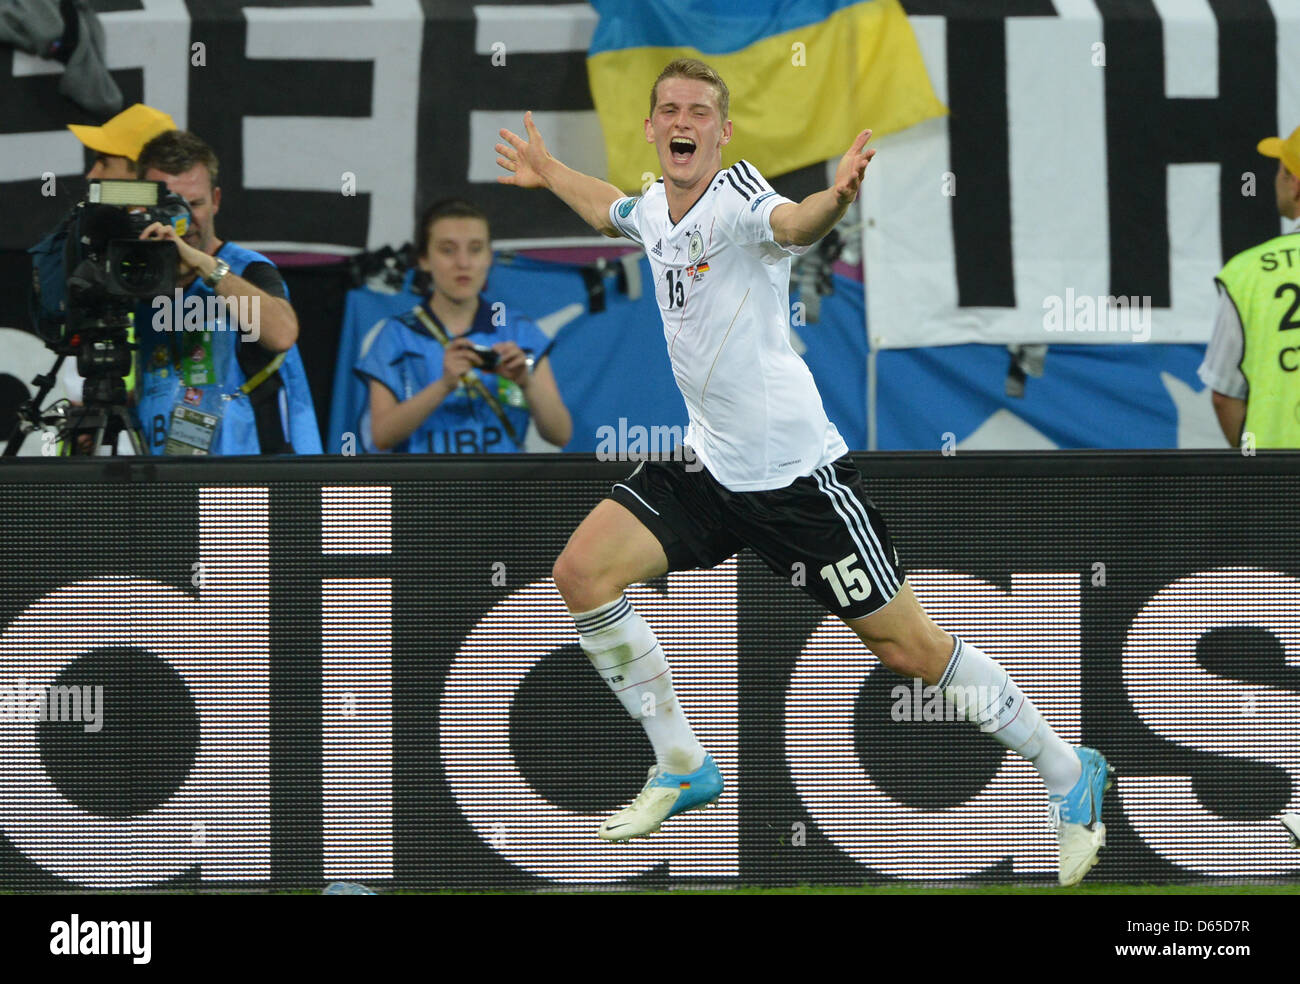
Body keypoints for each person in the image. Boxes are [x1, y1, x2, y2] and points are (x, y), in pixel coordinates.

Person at [497, 57, 1110, 886]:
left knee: (910, 652)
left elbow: (792, 223)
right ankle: (682, 763)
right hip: (712, 471)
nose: (683, 121)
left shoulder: (739, 196)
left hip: (796, 482)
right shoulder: (655, 210)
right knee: (581, 571)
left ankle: (1069, 775)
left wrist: (837, 200)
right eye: (669, 109)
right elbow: (609, 210)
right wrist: (545, 173)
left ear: (722, 132)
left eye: (700, 112)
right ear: (651, 129)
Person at [132, 130, 321, 454]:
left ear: (216, 200)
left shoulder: (247, 269)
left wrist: (207, 267)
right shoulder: (139, 282)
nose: (185, 220)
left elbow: (282, 335)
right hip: (166, 480)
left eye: (195, 204)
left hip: (247, 479)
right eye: (171, 206)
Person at [355, 198, 571, 453]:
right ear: (424, 259)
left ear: (490, 257)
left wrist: (526, 382)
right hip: (425, 489)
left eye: (476, 249)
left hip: (502, 489)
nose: (463, 263)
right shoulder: (396, 334)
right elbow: (380, 437)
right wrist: (443, 385)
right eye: (448, 250)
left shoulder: (518, 331)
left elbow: (560, 434)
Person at [29, 103, 177, 340]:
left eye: (104, 163)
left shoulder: (189, 245)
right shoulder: (89, 226)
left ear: (144, 173)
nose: (92, 175)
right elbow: (53, 310)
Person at [1200, 125, 1300, 448]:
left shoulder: (1249, 273)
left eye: (1280, 169)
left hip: (1278, 482)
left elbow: (1223, 396)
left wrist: (1257, 469)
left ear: (1295, 184)